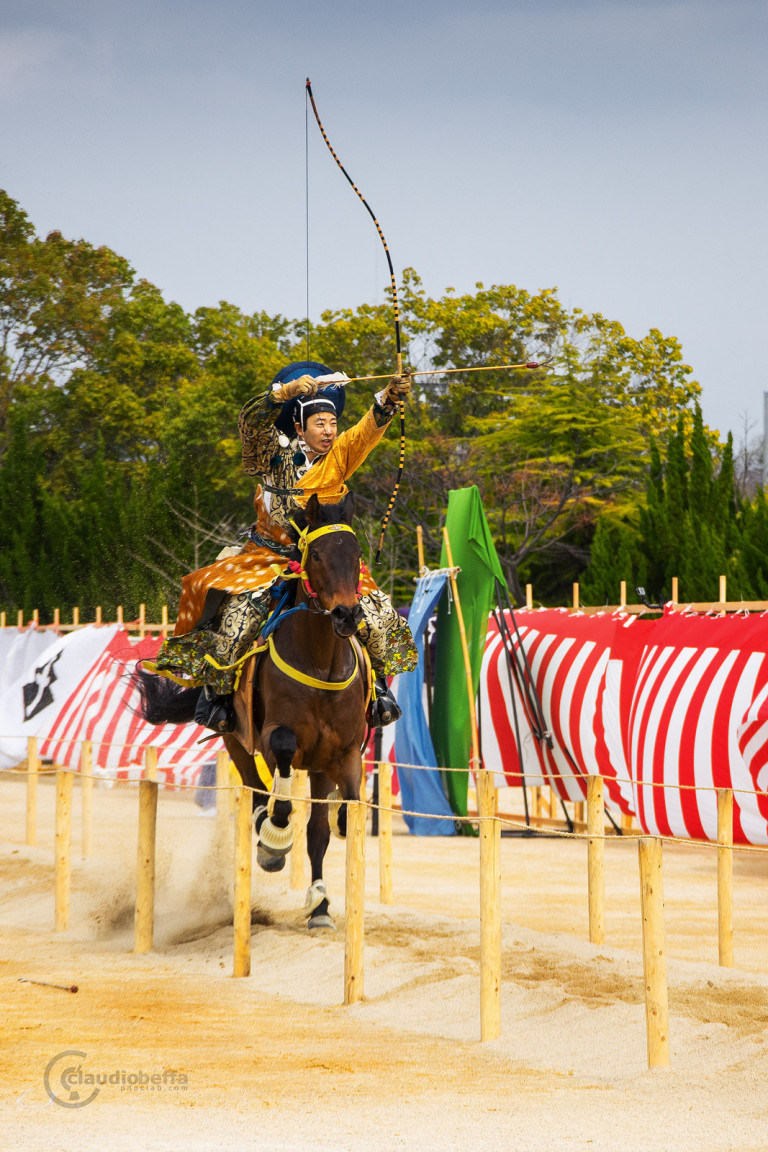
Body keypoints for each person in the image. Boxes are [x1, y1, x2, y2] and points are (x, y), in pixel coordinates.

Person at [151, 360, 417, 730]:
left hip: (326, 562)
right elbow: (251, 427)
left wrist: (389, 398)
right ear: (299, 426)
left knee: (376, 616)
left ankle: (378, 690)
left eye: (332, 423)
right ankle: (219, 699)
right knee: (236, 623)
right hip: (268, 557)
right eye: (319, 424)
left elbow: (364, 433)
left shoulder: (339, 457)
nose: (328, 431)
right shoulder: (274, 456)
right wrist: (281, 395)